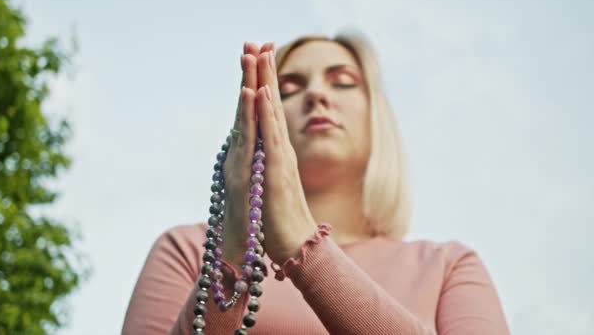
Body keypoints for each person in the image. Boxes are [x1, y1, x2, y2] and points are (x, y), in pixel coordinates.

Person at [122, 33, 510, 334]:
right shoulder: (192, 249)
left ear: (376, 115)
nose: (316, 95)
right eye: (288, 88)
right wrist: (231, 255)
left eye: (342, 82)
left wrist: (304, 246)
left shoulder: (448, 267)